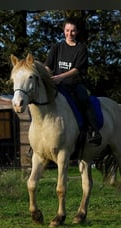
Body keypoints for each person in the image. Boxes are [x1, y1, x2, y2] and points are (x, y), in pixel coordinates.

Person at [45, 17, 102, 146]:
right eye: (67, 30)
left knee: (84, 100)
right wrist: (45, 75)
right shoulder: (56, 47)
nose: (69, 34)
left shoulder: (81, 48)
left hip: (74, 84)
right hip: (56, 84)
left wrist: (61, 77)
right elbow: (48, 66)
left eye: (73, 31)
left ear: (77, 32)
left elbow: (77, 69)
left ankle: (94, 131)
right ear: (63, 31)